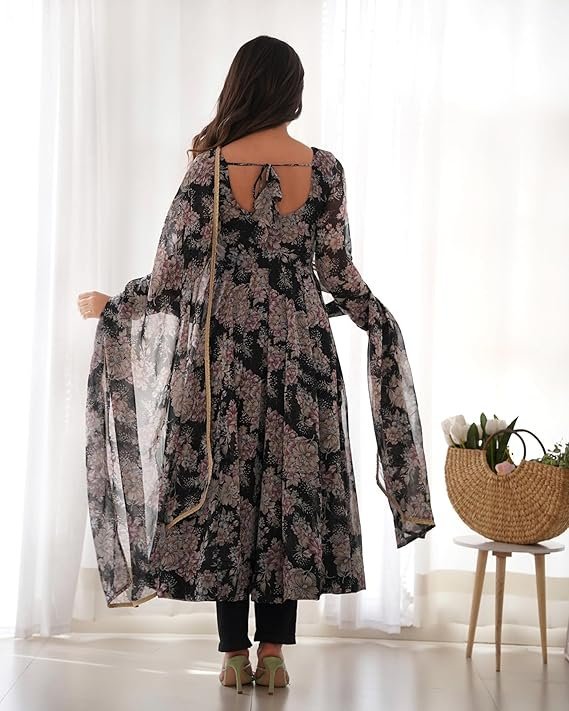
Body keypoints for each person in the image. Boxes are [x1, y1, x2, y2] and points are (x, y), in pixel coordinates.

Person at [79, 35, 435, 695]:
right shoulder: (324, 170)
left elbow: (170, 277)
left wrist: (116, 303)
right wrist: (373, 314)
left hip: (223, 360)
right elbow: (337, 271)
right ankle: (274, 653)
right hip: (303, 358)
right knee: (288, 497)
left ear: (239, 86)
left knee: (226, 497)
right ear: (292, 92)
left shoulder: (208, 171)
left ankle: (232, 655)